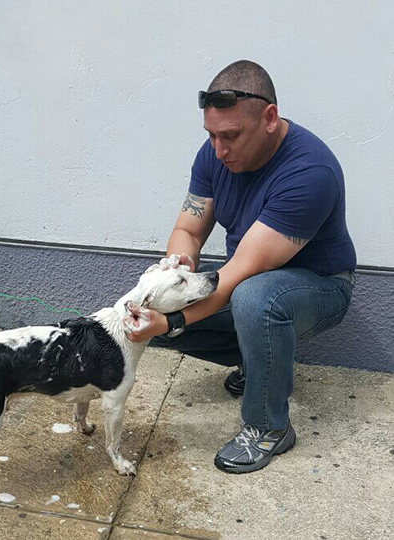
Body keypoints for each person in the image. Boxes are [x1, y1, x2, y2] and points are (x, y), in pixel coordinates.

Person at [125, 60, 356, 473]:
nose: (219, 149)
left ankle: (269, 427)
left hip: (319, 288)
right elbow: (188, 231)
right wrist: (177, 267)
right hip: (251, 282)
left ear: (269, 118)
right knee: (148, 308)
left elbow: (239, 275)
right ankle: (259, 364)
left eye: (230, 136)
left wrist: (172, 322)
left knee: (254, 301)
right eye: (211, 135)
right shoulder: (216, 154)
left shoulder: (309, 172)